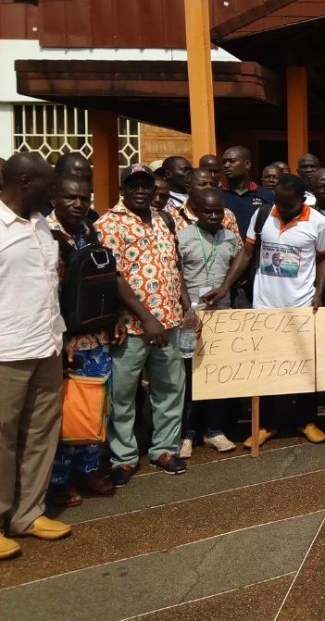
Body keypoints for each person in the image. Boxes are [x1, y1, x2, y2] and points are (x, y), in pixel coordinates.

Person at [204, 174, 325, 448]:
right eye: (279, 202)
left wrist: (319, 292)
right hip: (265, 306)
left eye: (288, 204)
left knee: (305, 366)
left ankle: (306, 421)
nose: (281, 209)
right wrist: (225, 286)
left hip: (301, 306)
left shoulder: (318, 222)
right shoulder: (263, 215)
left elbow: (324, 258)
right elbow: (246, 254)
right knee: (264, 369)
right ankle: (266, 424)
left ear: (302, 200)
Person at [95, 164, 191, 485]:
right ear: (122, 188)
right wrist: (147, 318)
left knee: (170, 389)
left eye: (145, 185)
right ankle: (123, 457)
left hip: (169, 322)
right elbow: (113, 276)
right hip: (133, 328)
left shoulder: (163, 219)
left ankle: (164, 449)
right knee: (122, 395)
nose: (140, 190)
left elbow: (174, 266)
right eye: (133, 185)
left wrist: (185, 306)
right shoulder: (109, 224)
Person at [0, 153, 71, 559]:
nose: (55, 193)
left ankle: (27, 514)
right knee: (2, 439)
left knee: (41, 433)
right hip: (7, 350)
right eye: (50, 185)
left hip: (46, 344)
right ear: (26, 182)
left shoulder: (42, 223)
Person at [46, 175, 116, 508]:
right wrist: (60, 339)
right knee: (65, 412)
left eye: (84, 198)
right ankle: (59, 480)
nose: (78, 204)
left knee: (95, 407)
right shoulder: (45, 233)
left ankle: (88, 469)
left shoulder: (91, 231)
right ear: (54, 198)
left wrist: (114, 318)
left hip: (96, 336)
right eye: (70, 197)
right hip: (61, 340)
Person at [176, 189, 241, 458]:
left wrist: (226, 286)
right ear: (195, 211)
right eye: (208, 211)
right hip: (190, 317)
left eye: (218, 211)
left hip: (220, 316)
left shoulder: (230, 237)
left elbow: (240, 261)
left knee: (217, 373)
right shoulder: (182, 236)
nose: (214, 216)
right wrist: (187, 308)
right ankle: (186, 434)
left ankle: (214, 431)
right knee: (189, 376)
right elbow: (176, 274)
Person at [174, 168, 242, 243]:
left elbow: (237, 245)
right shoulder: (174, 216)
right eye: (203, 184)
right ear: (188, 187)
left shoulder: (227, 214)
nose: (209, 188)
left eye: (212, 185)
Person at [220, 146, 275, 236]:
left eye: (232, 161)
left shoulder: (267, 195)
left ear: (247, 164)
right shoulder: (216, 195)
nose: (226, 165)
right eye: (224, 162)